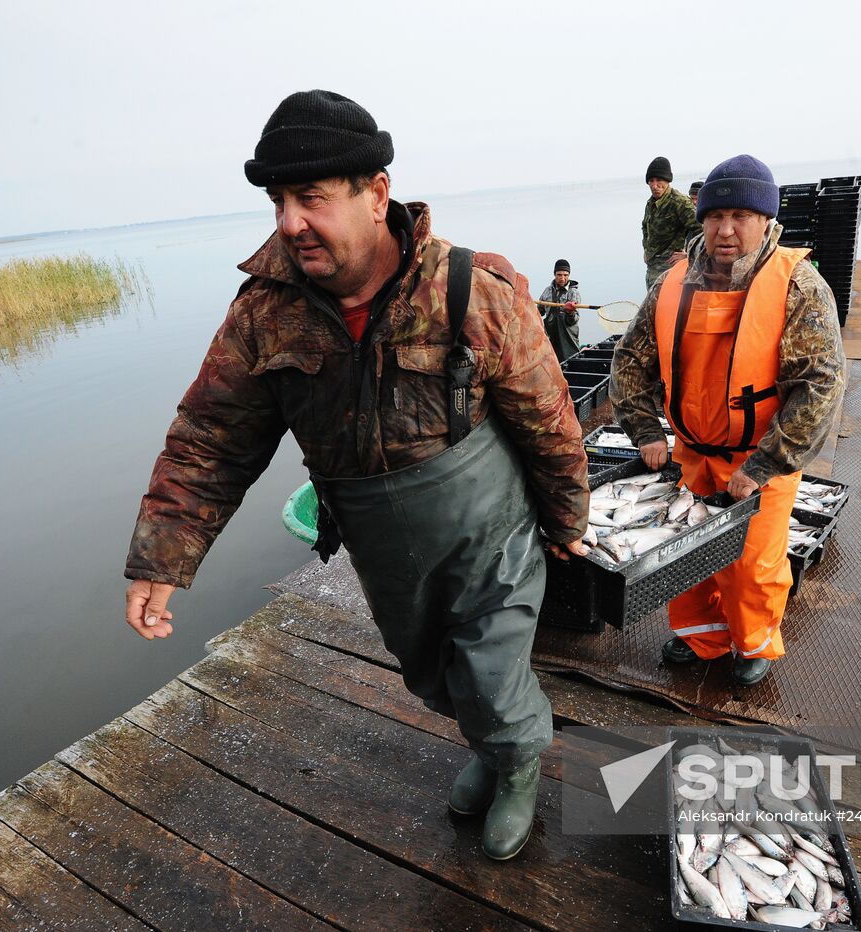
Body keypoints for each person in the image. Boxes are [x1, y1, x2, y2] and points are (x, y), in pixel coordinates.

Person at [122, 90, 590, 861]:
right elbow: (212, 438)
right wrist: (162, 557)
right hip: (382, 539)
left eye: (311, 198)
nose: (289, 222)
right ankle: (490, 741)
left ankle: (516, 768)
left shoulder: (473, 287)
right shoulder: (263, 314)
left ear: (377, 195)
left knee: (493, 663)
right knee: (433, 670)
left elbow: (548, 415)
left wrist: (567, 518)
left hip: (486, 527)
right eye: (279, 201)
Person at [610, 154, 845, 687]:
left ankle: (753, 643)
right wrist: (646, 431)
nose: (726, 229)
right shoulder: (671, 283)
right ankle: (703, 637)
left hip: (759, 463)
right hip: (691, 452)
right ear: (701, 218)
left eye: (741, 216)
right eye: (716, 216)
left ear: (766, 220)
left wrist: (764, 465)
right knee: (683, 559)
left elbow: (821, 385)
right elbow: (630, 358)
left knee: (753, 568)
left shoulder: (799, 285)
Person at [641, 156, 703, 290]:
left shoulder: (680, 202)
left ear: (667, 181)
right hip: (652, 267)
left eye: (659, 180)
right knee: (652, 307)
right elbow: (645, 227)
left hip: (670, 269)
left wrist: (688, 255)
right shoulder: (651, 203)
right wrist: (646, 249)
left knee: (666, 306)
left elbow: (704, 231)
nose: (654, 185)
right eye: (651, 181)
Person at [538, 259, 581, 362]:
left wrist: (570, 312)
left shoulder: (573, 293)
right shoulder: (547, 291)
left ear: (569, 275)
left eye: (565, 275)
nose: (562, 278)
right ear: (554, 274)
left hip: (568, 338)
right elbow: (539, 312)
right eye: (559, 275)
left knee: (571, 364)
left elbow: (573, 321)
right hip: (550, 337)